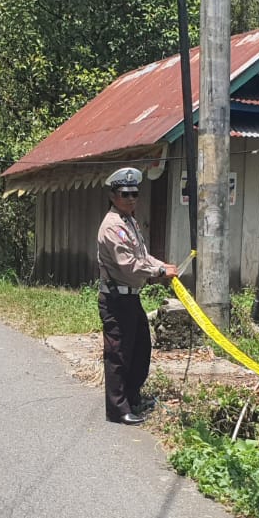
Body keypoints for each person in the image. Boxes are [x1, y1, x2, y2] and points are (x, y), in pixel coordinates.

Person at [97, 167, 178, 425]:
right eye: (125, 193)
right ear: (112, 195)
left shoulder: (129, 221)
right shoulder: (112, 227)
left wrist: (163, 265)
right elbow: (128, 264)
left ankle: (132, 398)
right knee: (118, 354)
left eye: (135, 193)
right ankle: (117, 410)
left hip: (131, 297)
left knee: (141, 349)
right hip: (115, 299)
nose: (131, 198)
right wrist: (159, 271)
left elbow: (142, 257)